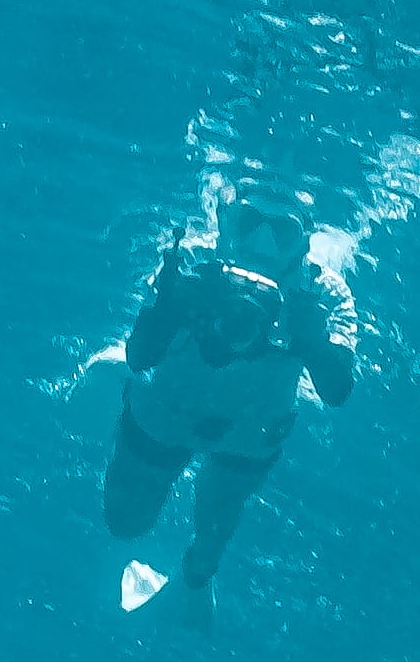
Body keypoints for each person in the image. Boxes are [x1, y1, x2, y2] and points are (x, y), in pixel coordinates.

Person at [104, 207, 358, 609]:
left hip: (243, 432)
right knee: (122, 522)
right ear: (225, 220)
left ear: (304, 242)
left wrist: (312, 341)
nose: (262, 242)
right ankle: (184, 585)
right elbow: (140, 356)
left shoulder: (321, 291)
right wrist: (171, 304)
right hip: (179, 415)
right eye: (249, 221)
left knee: (206, 551)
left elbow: (336, 390)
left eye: (281, 230)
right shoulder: (191, 260)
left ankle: (191, 585)